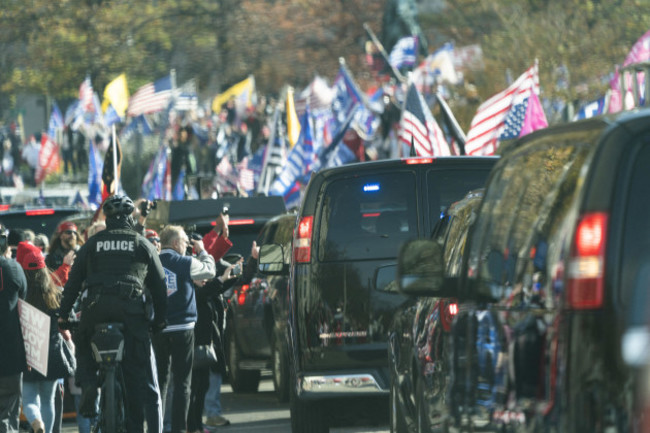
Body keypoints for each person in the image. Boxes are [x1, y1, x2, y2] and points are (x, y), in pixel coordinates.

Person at [58, 194, 168, 433]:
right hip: (131, 313)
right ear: (130, 217)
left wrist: (63, 315)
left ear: (106, 219)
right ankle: (135, 427)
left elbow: (73, 283)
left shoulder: (91, 245)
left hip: (95, 309)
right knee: (135, 375)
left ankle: (88, 384)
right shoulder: (141, 244)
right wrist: (160, 320)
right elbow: (160, 286)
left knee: (84, 342)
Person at [152, 225, 216, 433]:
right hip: (183, 328)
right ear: (173, 242)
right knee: (182, 383)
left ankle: (157, 427)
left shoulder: (152, 262)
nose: (187, 244)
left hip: (159, 328)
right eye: (184, 241)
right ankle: (179, 429)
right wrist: (203, 250)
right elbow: (210, 270)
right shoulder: (186, 262)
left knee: (159, 381)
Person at [18, 242, 69, 433]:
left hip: (29, 351)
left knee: (30, 399)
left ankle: (36, 423)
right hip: (52, 352)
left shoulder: (19, 295)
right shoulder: (54, 293)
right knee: (48, 400)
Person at [187, 263, 237, 433]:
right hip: (191, 347)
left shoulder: (207, 291)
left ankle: (198, 426)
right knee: (191, 390)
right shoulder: (191, 291)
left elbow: (221, 287)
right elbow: (205, 292)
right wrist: (221, 279)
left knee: (202, 387)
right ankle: (190, 426)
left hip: (205, 348)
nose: (204, 280)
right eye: (200, 277)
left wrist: (236, 272)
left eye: (205, 277)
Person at [0, 224, 28, 433]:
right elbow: (24, 304)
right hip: (10, 353)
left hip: (11, 354)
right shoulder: (14, 268)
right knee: (8, 414)